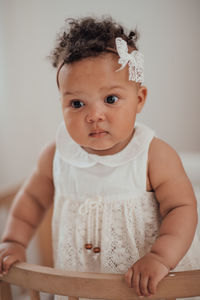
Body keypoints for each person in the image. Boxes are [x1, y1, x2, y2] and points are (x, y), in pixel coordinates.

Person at [0, 16, 199, 299]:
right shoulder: (57, 154)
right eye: (77, 103)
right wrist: (13, 241)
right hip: (77, 287)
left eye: (110, 99)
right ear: (61, 104)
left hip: (145, 286)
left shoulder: (153, 155)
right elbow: (31, 199)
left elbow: (181, 208)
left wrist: (160, 258)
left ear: (139, 99)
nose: (94, 115)